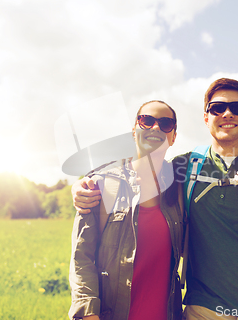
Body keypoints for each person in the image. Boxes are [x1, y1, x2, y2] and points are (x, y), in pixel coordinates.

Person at [73, 78, 238, 319]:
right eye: (217, 108)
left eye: (237, 108)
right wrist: (86, 183)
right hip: (202, 309)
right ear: (206, 118)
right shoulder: (183, 167)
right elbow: (141, 166)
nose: (227, 113)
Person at [69, 101, 185, 320]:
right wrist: (88, 313)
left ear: (173, 137)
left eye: (165, 123)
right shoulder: (100, 185)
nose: (155, 128)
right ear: (134, 131)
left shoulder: (181, 187)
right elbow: (81, 257)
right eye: (147, 121)